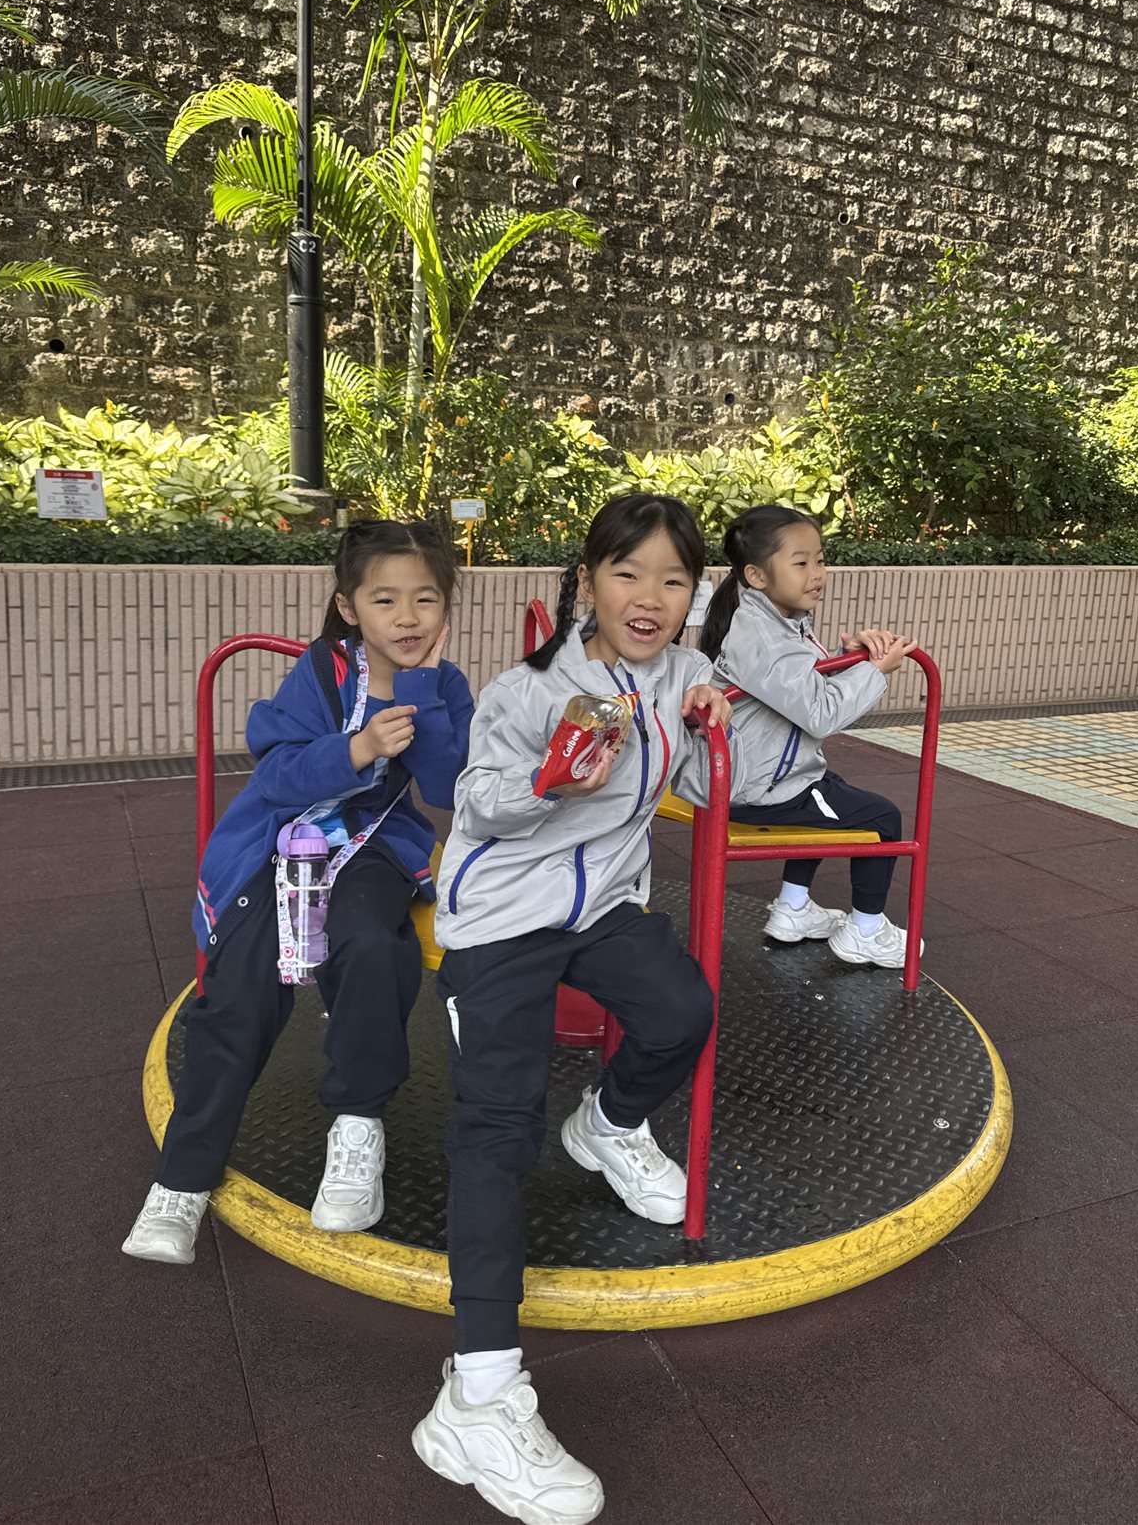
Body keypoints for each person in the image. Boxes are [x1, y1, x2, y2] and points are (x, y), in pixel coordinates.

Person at [411, 493, 738, 1525]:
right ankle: (477, 1392)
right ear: (587, 579)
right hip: (503, 916)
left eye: (674, 579)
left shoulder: (681, 671)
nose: (650, 597)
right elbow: (474, 801)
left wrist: (713, 712)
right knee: (496, 1126)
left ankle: (607, 1124)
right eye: (628, 572)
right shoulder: (527, 688)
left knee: (682, 1009)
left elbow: (706, 746)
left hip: (600, 907)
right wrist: (550, 778)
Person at [123, 520, 472, 1266]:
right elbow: (277, 774)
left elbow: (449, 787)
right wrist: (358, 747)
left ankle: (357, 1123)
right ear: (349, 607)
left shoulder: (442, 684)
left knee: (371, 946)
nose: (407, 617)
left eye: (425, 599)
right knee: (240, 986)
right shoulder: (321, 672)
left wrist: (419, 691)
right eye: (385, 600)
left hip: (373, 847)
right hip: (281, 840)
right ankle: (183, 1177)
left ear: (446, 607)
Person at [700, 504, 919, 968]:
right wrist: (875, 671)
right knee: (882, 817)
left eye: (820, 559)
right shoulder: (767, 638)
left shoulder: (775, 622)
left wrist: (847, 656)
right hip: (756, 788)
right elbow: (819, 714)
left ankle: (793, 908)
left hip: (749, 776)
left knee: (826, 789)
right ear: (757, 575)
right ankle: (866, 930)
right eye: (801, 563)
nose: (817, 573)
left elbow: (799, 688)